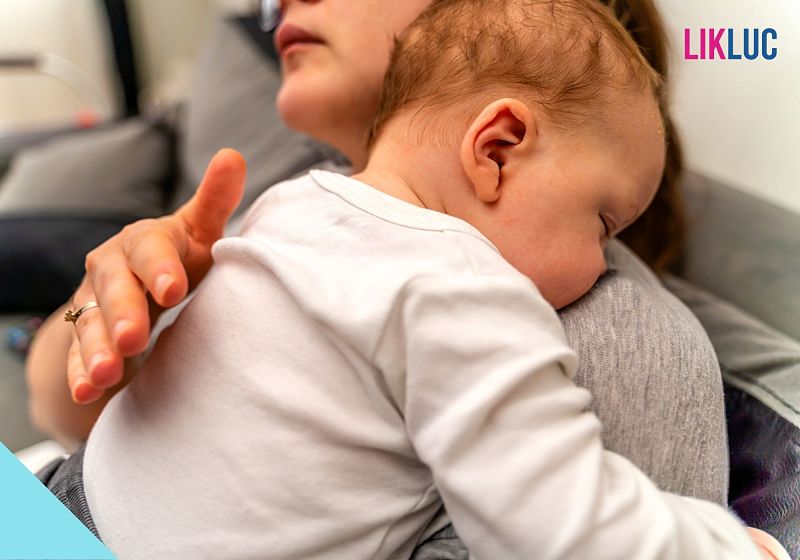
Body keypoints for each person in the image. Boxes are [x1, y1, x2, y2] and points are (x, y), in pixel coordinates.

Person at [23, 0, 786, 558]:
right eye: (601, 225)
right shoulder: (448, 283)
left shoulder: (297, 208)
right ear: (494, 147)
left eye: (605, 227)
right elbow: (561, 523)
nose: (598, 262)